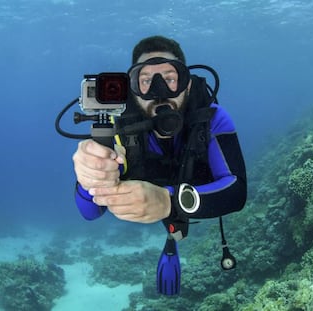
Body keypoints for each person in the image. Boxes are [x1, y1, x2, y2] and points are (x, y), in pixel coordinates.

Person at [72, 35, 247, 294]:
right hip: (157, 189)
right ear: (133, 89)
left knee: (174, 222)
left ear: (187, 85)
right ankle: (171, 235)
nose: (159, 91)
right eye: (146, 81)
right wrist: (91, 179)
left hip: (189, 190)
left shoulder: (211, 118)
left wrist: (169, 202)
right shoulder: (116, 125)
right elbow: (90, 212)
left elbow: (237, 192)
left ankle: (171, 236)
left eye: (169, 78)